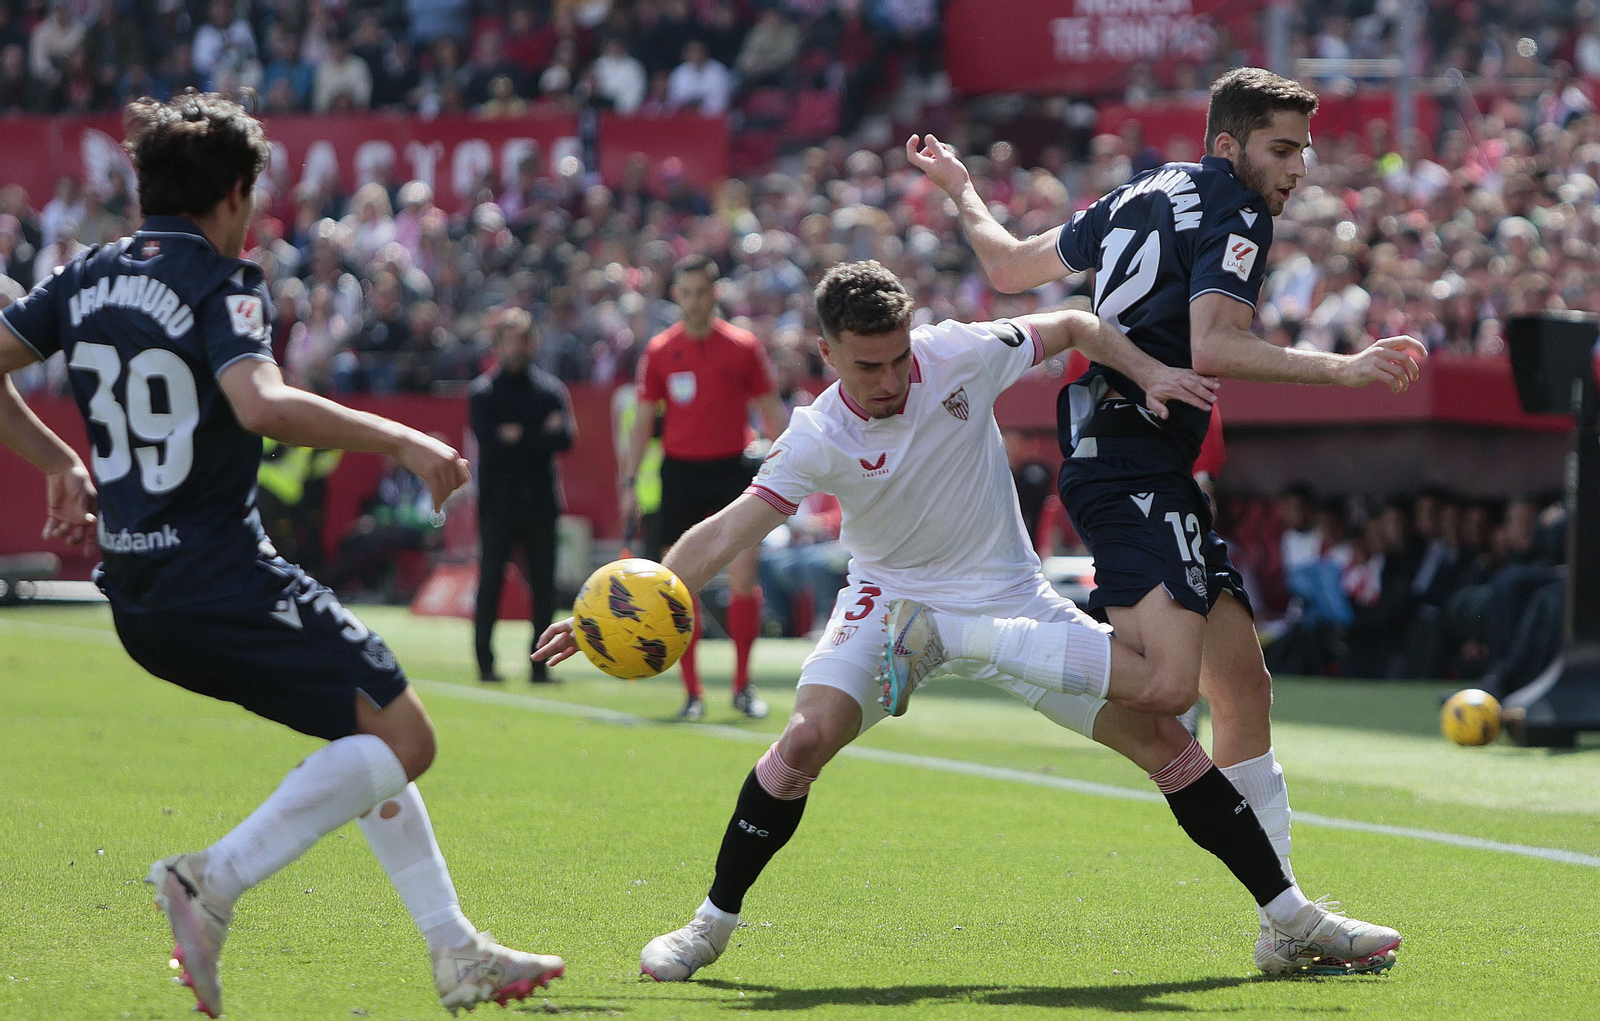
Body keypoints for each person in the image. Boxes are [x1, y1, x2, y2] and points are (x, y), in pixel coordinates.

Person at [537, 261, 1399, 982]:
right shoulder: (816, 433)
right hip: (888, 603)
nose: (887, 380)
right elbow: (729, 529)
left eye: (896, 359)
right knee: (805, 740)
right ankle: (709, 925)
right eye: (865, 365)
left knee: (1165, 736)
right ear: (827, 351)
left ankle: (1291, 915)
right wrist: (611, 603)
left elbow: (1074, 322)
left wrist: (1148, 371)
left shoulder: (956, 355)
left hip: (1007, 600)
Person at [0, 92, 563, 1018]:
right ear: (231, 193)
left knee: (366, 734)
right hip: (220, 575)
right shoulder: (224, 279)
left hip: (139, 594)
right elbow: (260, 403)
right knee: (406, 737)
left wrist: (59, 458)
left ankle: (455, 949)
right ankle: (210, 881)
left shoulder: (86, 275)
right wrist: (405, 441)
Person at [907, 66, 1422, 950]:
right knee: (1167, 685)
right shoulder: (1238, 204)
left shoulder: (1134, 193)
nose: (1299, 167)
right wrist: (1340, 367)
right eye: (1281, 147)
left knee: (1243, 688)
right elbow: (1214, 343)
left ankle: (1283, 922)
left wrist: (962, 191)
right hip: (1132, 457)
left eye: (1304, 148)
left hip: (1131, 458)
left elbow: (1003, 265)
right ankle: (961, 634)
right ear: (1228, 145)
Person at [617, 255, 788, 721]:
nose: (693, 302)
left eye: (701, 292)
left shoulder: (743, 346)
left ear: (715, 293)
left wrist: (792, 463)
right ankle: (692, 694)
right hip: (680, 476)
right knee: (678, 587)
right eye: (685, 292)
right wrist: (630, 480)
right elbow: (642, 423)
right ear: (676, 296)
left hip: (734, 473)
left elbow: (772, 410)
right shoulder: (659, 351)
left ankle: (742, 686)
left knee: (743, 580)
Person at [469, 308, 575, 684]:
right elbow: (492, 443)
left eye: (523, 338)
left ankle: (539, 664)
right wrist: (538, 434)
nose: (516, 347)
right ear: (497, 344)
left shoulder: (549, 389)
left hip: (541, 503)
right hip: (498, 503)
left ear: (533, 343)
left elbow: (565, 438)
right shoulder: (483, 392)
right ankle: (484, 663)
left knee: (544, 587)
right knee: (491, 583)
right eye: (509, 339)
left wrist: (518, 434)